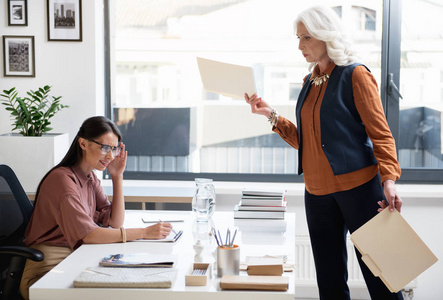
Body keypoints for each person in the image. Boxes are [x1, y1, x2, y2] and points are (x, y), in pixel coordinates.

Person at [245, 5, 403, 300]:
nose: (300, 45)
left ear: (324, 35)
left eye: (306, 38)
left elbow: (380, 133)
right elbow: (309, 141)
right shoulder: (310, 81)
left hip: (359, 191)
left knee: (382, 277)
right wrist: (271, 116)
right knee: (329, 284)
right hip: (316, 194)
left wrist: (389, 180)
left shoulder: (355, 75)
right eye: (298, 38)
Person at [19, 116, 172, 299]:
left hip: (75, 258)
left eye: (114, 149)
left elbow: (115, 222)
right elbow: (90, 235)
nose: (110, 156)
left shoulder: (90, 178)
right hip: (47, 271)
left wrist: (117, 177)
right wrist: (143, 232)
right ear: (83, 144)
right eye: (105, 147)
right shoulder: (62, 181)